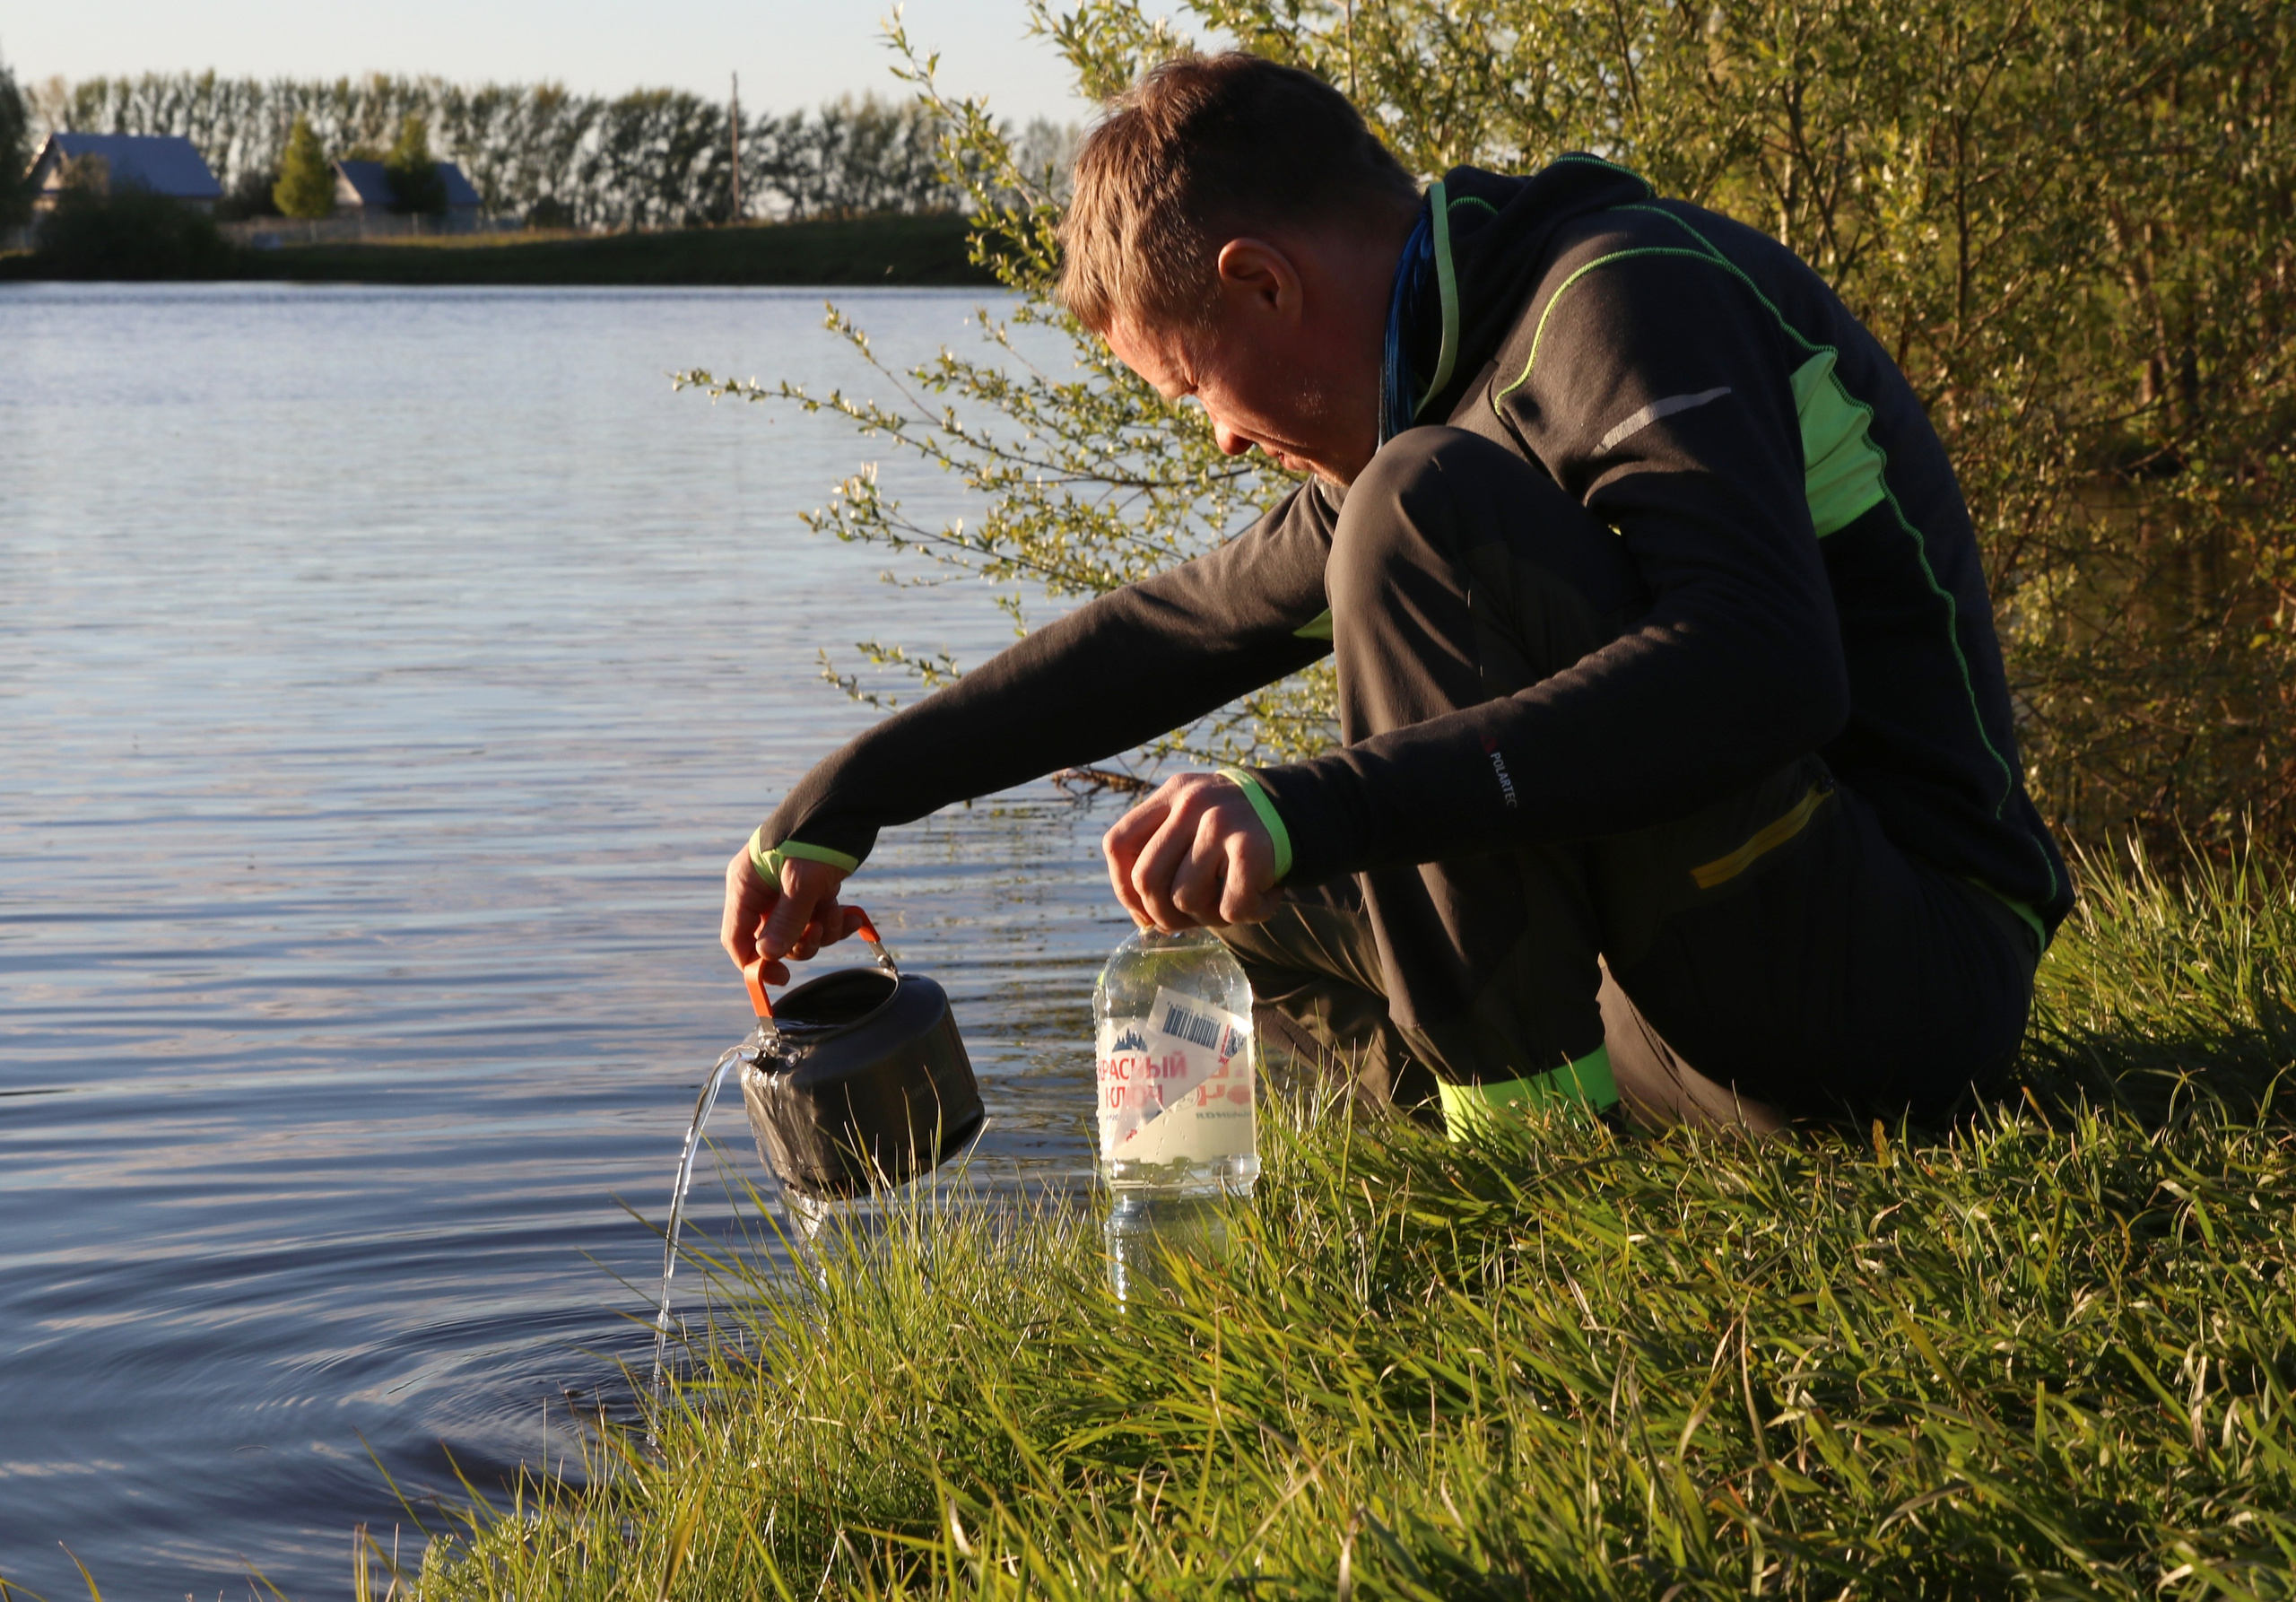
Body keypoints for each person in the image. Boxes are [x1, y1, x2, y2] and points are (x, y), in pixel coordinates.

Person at [718, 50, 2070, 1133]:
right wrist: (850, 794)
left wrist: (1313, 804)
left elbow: (1764, 670)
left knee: (1405, 514)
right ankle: (1536, 1129)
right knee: (1221, 911)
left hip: (1903, 987)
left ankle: (1531, 1173)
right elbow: (1175, 630)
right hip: (1711, 1004)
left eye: (1193, 386)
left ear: (1262, 280)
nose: (1220, 440)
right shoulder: (1447, 380)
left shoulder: (1623, 297)